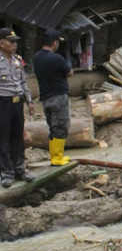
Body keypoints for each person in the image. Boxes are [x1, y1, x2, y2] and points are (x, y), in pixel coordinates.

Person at [32, 29, 73, 166]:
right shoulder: (57, 58)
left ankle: (53, 156)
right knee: (61, 125)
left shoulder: (36, 58)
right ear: (54, 43)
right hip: (59, 95)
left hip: (45, 97)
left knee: (52, 126)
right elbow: (70, 72)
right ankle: (57, 157)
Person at [0, 28, 35, 188]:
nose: (14, 45)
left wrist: (29, 101)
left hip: (17, 103)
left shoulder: (18, 60)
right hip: (3, 103)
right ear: (1, 43)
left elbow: (23, 83)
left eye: (15, 42)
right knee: (4, 138)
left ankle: (20, 169)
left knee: (17, 137)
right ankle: (7, 173)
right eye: (11, 41)